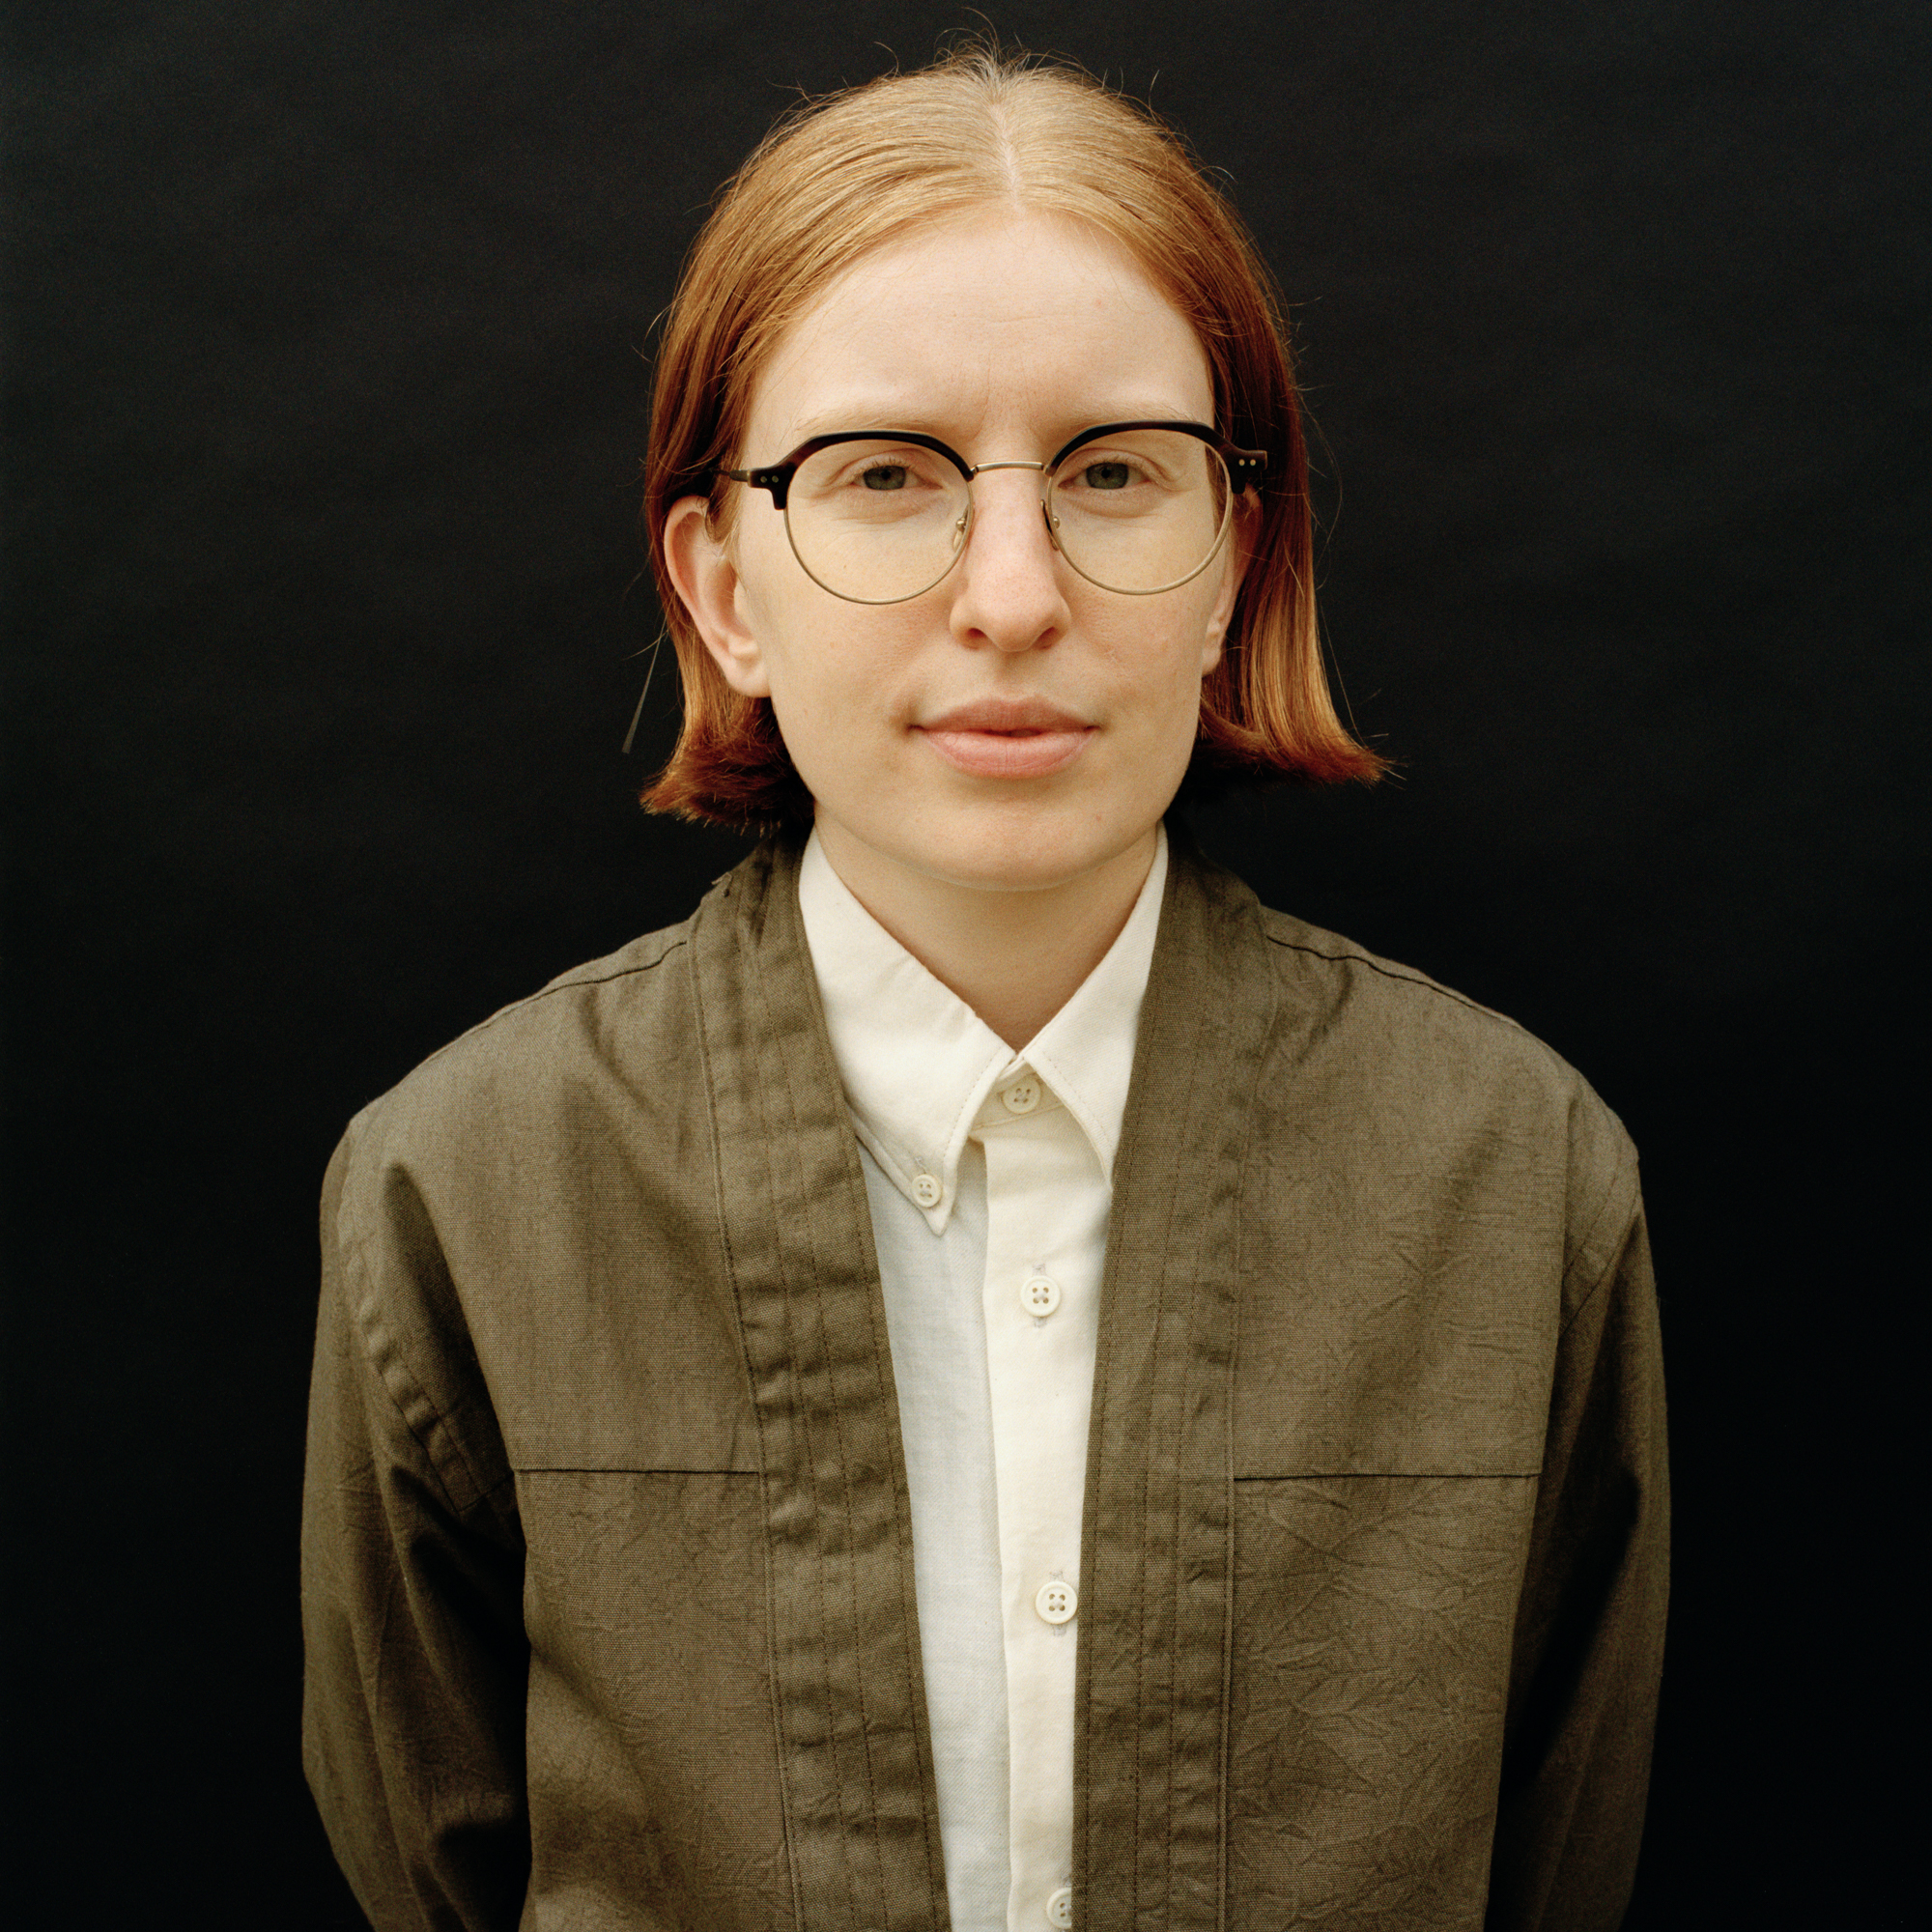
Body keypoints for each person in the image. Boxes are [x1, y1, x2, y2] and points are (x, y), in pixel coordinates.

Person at [301, 45, 1667, 1932]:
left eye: (1113, 472)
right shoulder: (463, 1184)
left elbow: (1560, 1858)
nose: (1013, 591)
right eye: (883, 474)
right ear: (722, 588)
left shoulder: (1515, 1182)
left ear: (1228, 562)